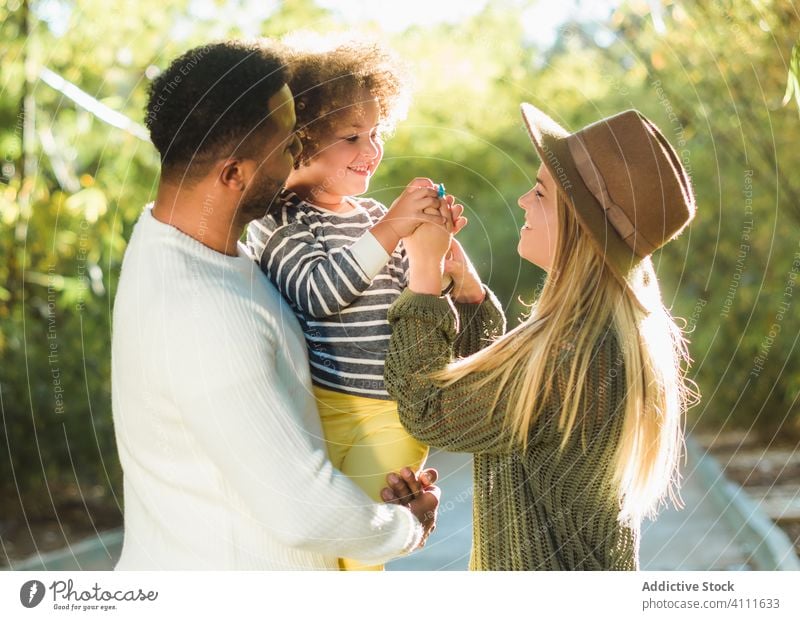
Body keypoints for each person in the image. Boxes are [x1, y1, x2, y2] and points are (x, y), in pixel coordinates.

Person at [111, 39, 439, 570]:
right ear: (234, 174)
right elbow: (301, 510)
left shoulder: (172, 240)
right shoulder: (204, 313)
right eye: (290, 145)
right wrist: (410, 527)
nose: (301, 156)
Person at [384, 103, 698, 570]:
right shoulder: (597, 337)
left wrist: (424, 274)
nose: (524, 202)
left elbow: (427, 408)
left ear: (579, 223)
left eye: (540, 192)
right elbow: (505, 409)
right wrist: (469, 298)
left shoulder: (574, 353)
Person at [245, 39, 467, 570]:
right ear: (298, 142)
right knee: (323, 552)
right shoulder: (277, 221)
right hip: (320, 411)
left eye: (376, 133)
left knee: (363, 547)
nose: (372, 148)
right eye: (351, 137)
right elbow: (317, 293)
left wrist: (439, 257)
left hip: (391, 412)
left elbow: (420, 309)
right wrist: (392, 227)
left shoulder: (373, 216)